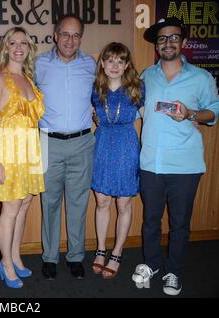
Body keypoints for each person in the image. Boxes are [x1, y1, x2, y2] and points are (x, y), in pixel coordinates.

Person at [132, 17, 219, 296]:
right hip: (150, 163)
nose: (167, 43)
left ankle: (174, 271)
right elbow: (135, 110)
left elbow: (214, 111)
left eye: (173, 37)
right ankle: (152, 264)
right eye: (162, 39)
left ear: (183, 42)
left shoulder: (201, 77)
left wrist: (192, 114)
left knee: (180, 223)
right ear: (157, 46)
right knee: (150, 220)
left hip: (185, 165)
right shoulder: (147, 75)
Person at [35, 14, 96, 280]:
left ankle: (75, 256)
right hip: (49, 142)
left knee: (78, 203)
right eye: (65, 34)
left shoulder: (91, 64)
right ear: (55, 35)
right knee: (48, 202)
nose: (70, 40)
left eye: (76, 35)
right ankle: (49, 257)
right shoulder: (39, 64)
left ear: (80, 38)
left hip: (83, 143)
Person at [0, 27, 45, 288]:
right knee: (9, 211)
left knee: (24, 206)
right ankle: (5, 264)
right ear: (5, 47)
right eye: (13, 43)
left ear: (29, 48)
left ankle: (16, 257)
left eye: (24, 43)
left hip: (31, 151)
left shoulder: (29, 80)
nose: (18, 47)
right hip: (8, 152)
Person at [90, 42, 144, 279]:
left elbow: (149, 117)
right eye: (110, 60)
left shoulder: (137, 88)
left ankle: (118, 252)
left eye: (120, 61)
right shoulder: (95, 88)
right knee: (101, 202)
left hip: (126, 147)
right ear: (102, 63)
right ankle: (101, 249)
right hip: (102, 146)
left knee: (123, 204)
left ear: (126, 65)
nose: (114, 65)